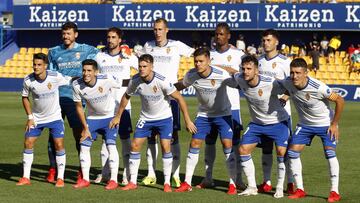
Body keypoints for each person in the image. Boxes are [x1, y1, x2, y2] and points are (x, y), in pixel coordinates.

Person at [109, 54, 196, 192]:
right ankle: (132, 181)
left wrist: (187, 120)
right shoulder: (135, 80)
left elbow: (179, 98)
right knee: (135, 145)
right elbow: (126, 96)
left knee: (165, 146)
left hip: (164, 118)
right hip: (146, 118)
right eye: (140, 66)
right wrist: (118, 116)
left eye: (145, 66)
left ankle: (166, 183)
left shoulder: (162, 81)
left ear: (151, 67)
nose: (142, 69)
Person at [278, 58, 344, 202]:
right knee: (292, 152)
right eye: (292, 72)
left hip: (325, 124)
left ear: (306, 73)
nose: (294, 76)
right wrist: (284, 97)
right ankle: (300, 189)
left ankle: (334, 192)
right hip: (305, 125)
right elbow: (290, 88)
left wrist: (334, 124)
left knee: (330, 153)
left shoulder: (319, 87)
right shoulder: (289, 81)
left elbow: (340, 100)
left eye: (298, 73)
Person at [174, 48, 237, 194]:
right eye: (196, 61)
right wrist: (165, 89)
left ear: (208, 60)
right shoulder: (191, 75)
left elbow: (239, 84)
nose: (198, 64)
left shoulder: (221, 74)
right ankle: (187, 183)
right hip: (204, 115)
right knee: (195, 143)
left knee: (227, 144)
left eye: (201, 61)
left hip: (223, 115)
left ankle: (232, 184)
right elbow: (181, 86)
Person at [226, 55, 290, 198]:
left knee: (281, 152)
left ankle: (279, 187)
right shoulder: (240, 78)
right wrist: (211, 66)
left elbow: (290, 85)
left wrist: (285, 98)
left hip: (278, 123)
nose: (246, 71)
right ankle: (252, 187)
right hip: (257, 124)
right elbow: (231, 71)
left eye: (249, 68)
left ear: (257, 70)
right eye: (243, 68)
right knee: (243, 149)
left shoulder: (271, 82)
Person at [141, 18, 195, 187]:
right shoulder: (147, 46)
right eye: (155, 29)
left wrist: (185, 79)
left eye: (160, 29)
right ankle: (151, 173)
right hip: (151, 98)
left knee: (173, 137)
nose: (157, 32)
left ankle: (176, 174)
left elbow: (197, 55)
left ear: (166, 30)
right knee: (151, 136)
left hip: (170, 98)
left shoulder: (177, 45)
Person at [196, 23, 245, 192]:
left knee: (235, 144)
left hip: (233, 106)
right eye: (216, 34)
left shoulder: (238, 54)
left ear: (228, 36)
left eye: (222, 34)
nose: (219, 37)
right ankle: (208, 177)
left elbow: (240, 73)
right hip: (211, 109)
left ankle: (238, 179)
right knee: (209, 142)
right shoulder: (209, 55)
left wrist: (217, 68)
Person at [47, 22, 98, 183]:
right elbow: (50, 73)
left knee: (79, 134)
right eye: (64, 33)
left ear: (75, 34)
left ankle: (82, 170)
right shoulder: (54, 52)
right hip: (56, 98)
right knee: (53, 135)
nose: (65, 36)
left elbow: (103, 57)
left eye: (69, 33)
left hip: (75, 98)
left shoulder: (86, 49)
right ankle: (53, 169)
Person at [17, 53, 69, 187]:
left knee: (58, 145)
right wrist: (30, 117)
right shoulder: (28, 80)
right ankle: (26, 177)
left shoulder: (55, 76)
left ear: (45, 66)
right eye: (34, 64)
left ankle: (60, 178)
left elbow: (70, 80)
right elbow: (24, 97)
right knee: (28, 142)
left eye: (39, 65)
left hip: (55, 117)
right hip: (37, 118)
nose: (36, 67)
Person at [94, 27, 138, 185]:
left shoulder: (128, 56)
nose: (110, 40)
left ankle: (126, 174)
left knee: (125, 140)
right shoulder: (100, 56)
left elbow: (143, 71)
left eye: (114, 37)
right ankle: (105, 173)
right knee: (106, 141)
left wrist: (125, 84)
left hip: (123, 105)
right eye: (108, 37)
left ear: (120, 40)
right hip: (105, 106)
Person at [72, 59, 125, 190]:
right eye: (84, 70)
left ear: (96, 72)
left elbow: (124, 85)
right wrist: (85, 128)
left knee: (111, 146)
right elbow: (79, 107)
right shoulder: (76, 84)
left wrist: (118, 115)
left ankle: (113, 180)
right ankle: (85, 179)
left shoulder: (106, 78)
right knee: (84, 145)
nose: (86, 73)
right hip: (92, 119)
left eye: (89, 70)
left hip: (109, 118)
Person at [257, 29, 294, 194]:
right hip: (264, 114)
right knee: (266, 149)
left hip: (282, 115)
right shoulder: (258, 62)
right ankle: (266, 181)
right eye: (264, 40)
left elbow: (295, 83)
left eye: (269, 40)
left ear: (276, 42)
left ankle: (290, 182)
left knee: (284, 150)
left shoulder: (286, 62)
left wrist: (286, 96)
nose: (266, 43)